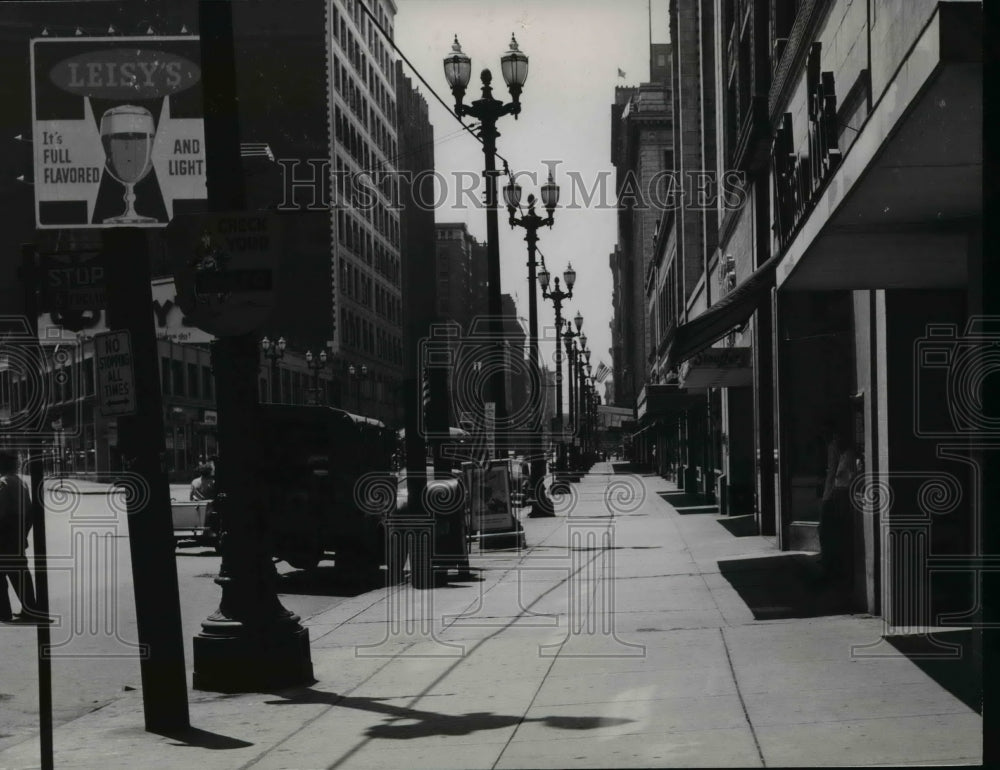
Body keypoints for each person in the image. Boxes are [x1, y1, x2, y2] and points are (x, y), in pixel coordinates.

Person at [0, 451, 42, 623]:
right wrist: (23, 533)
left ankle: (3, 611)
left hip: (4, 533)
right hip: (17, 533)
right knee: (20, 573)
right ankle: (30, 609)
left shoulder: (3, 483)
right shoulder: (21, 482)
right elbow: (30, 513)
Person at [818, 428, 857, 587]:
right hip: (835, 494)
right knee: (828, 531)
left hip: (839, 495)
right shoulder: (842, 453)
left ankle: (832, 566)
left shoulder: (845, 454)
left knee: (832, 531)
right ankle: (830, 563)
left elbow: (838, 475)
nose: (834, 442)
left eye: (836, 438)